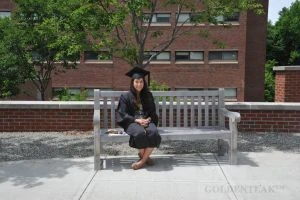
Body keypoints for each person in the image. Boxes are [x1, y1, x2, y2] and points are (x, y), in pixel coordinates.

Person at [117, 67, 161, 170]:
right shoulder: (125, 96)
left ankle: (142, 161)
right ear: (133, 82)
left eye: (141, 82)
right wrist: (137, 120)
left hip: (146, 121)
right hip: (132, 122)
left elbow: (152, 112)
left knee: (153, 132)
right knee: (140, 133)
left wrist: (148, 119)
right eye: (137, 82)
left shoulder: (148, 95)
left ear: (144, 83)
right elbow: (122, 113)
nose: (139, 84)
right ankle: (145, 159)